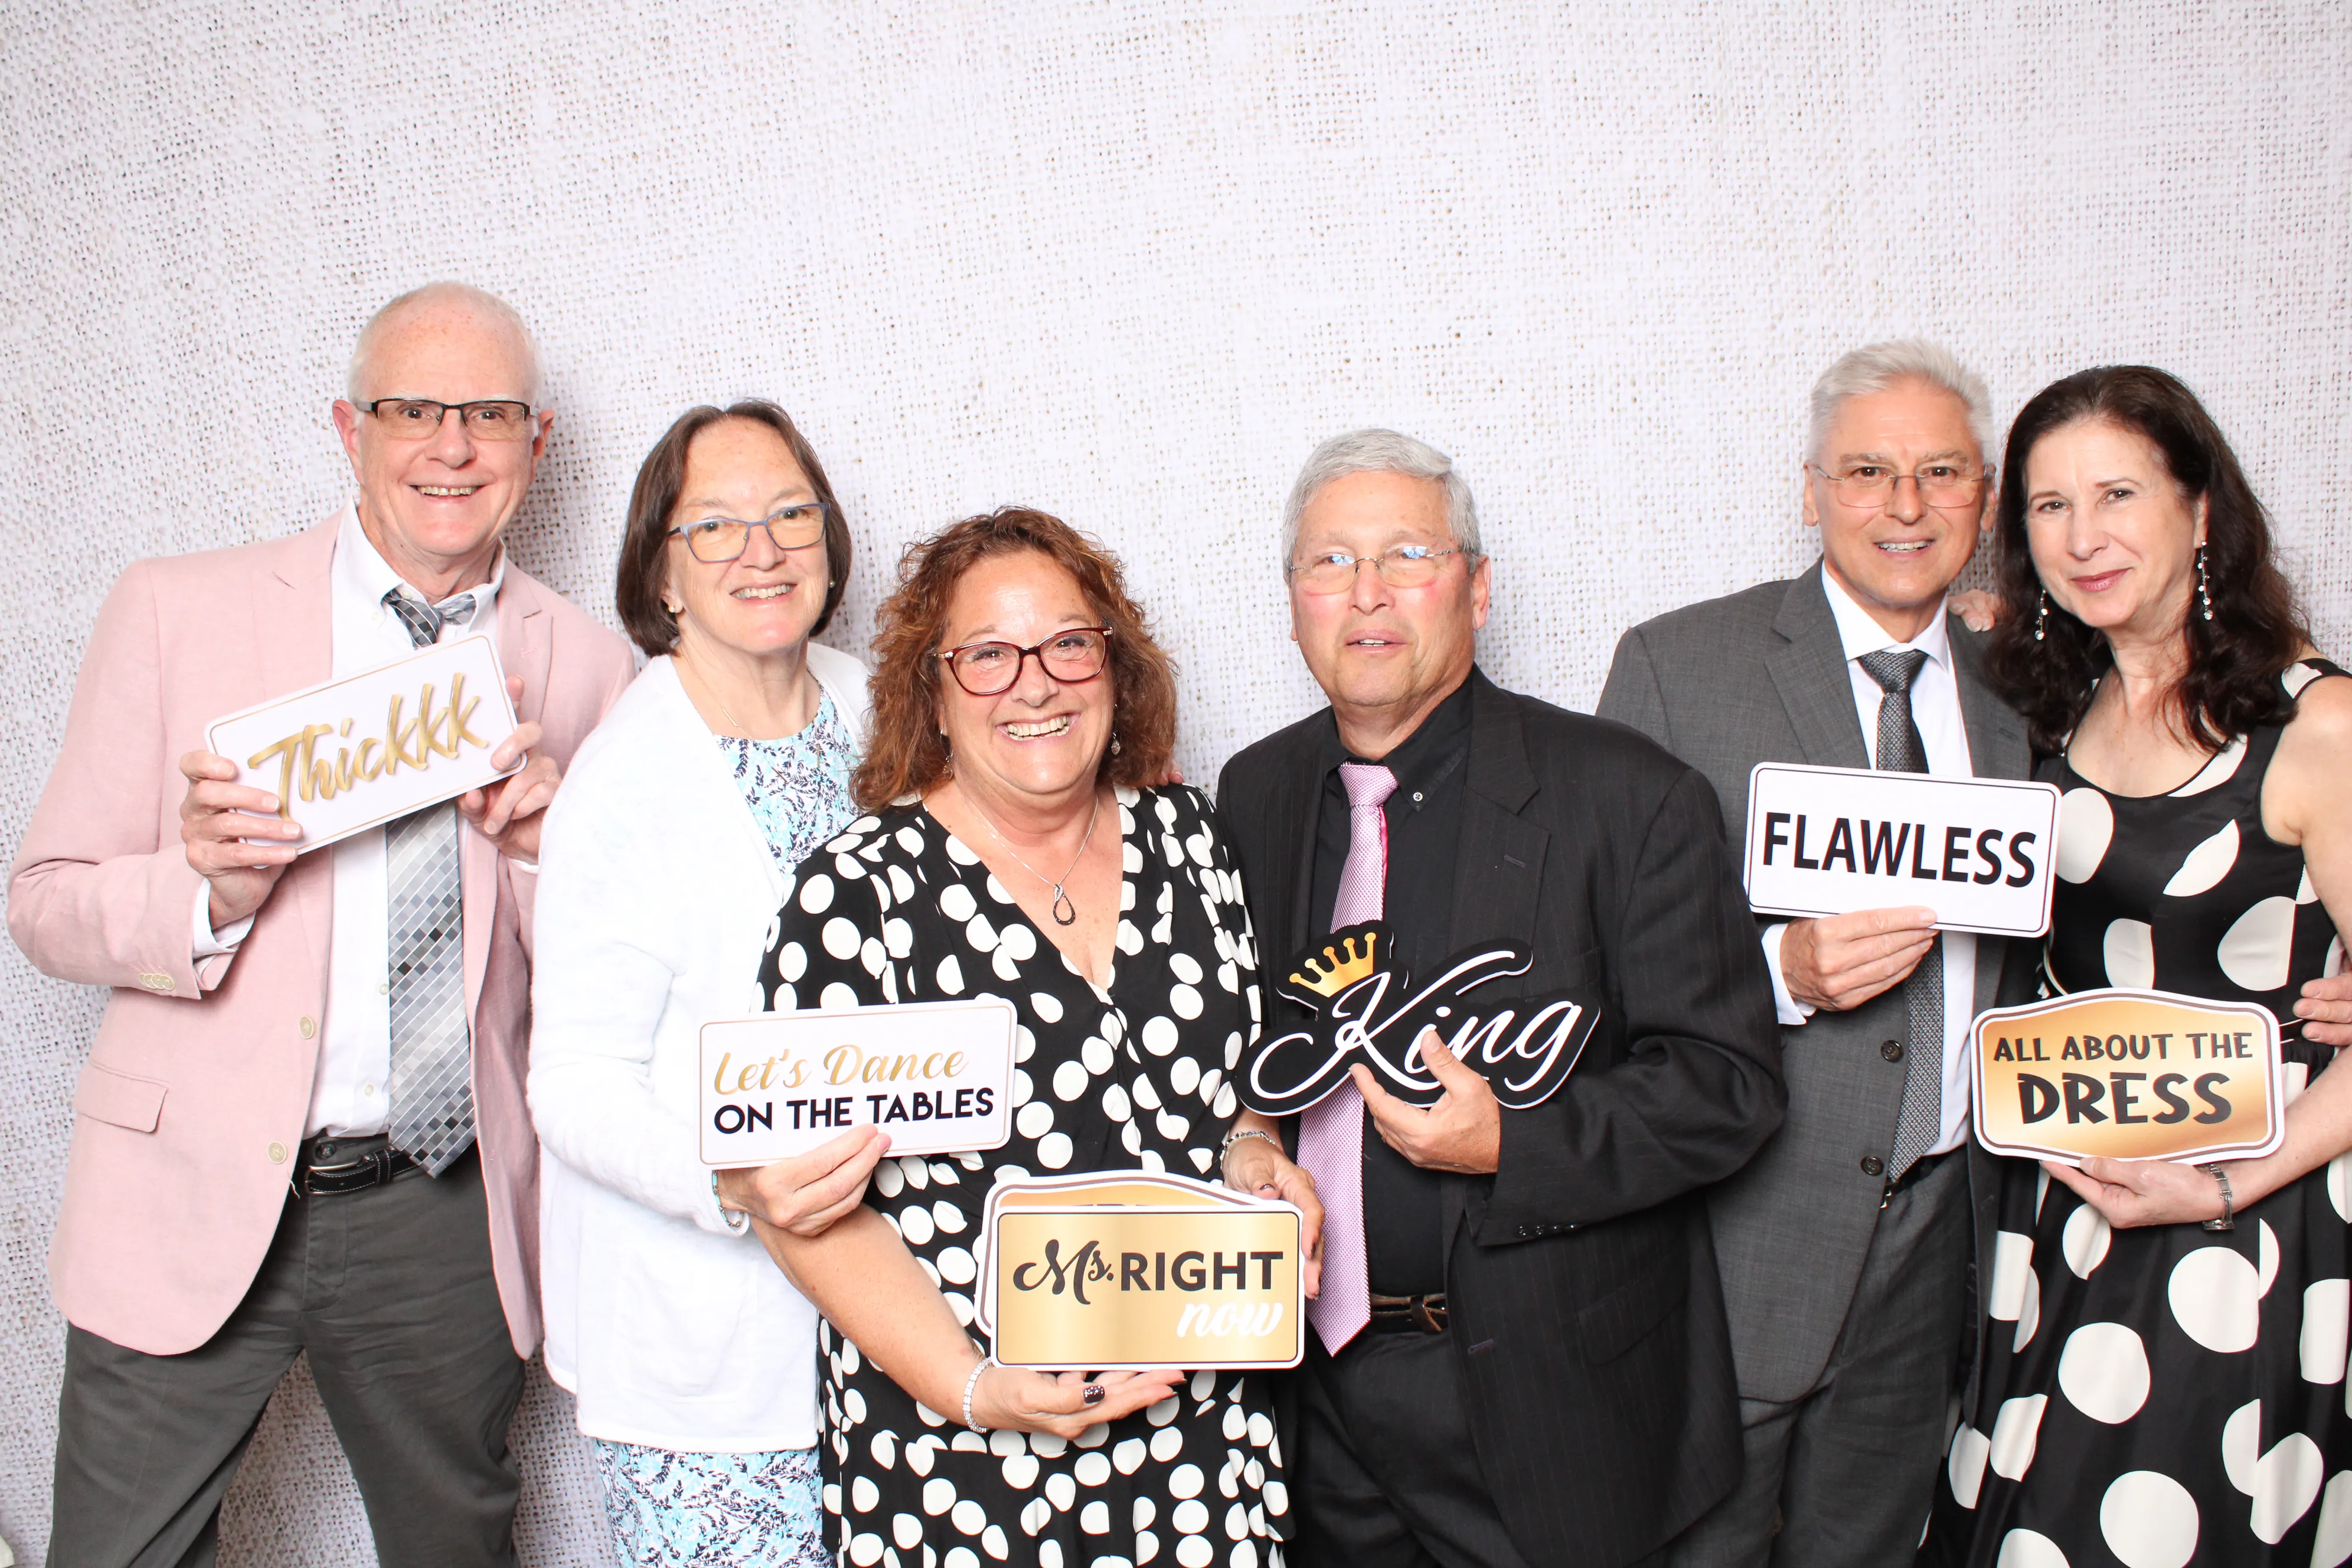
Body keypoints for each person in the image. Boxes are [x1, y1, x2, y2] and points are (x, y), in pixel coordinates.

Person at [8, 282, 634, 1566]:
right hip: (183, 1186)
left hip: (441, 1206)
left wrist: (541, 854)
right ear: (349, 429)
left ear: (539, 441)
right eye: (413, 408)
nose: (449, 445)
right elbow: (45, 898)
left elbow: (613, 977)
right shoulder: (179, 610)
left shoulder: (589, 666)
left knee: (454, 1548)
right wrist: (204, 894)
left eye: (488, 413)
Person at [1217, 429, 1785, 1568]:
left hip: (1539, 1403)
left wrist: (1510, 1144)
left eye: (1409, 556)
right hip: (1305, 1399)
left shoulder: (1628, 796)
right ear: (1292, 604)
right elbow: (1249, 1037)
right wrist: (1250, 1134)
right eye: (1330, 564)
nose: (1367, 594)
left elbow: (1728, 1087)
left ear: (1479, 590)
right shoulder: (1253, 792)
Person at [741, 507, 1305, 1566]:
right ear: (935, 696)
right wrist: (973, 1389)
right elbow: (803, 1206)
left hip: (1204, 1443)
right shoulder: (855, 901)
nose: (1035, 683)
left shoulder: (1194, 840)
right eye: (989, 656)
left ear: (1113, 664)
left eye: (1066, 644)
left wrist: (1255, 1149)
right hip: (966, 1459)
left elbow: (1235, 1086)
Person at [1596, 340, 2033, 1566]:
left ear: (1983, 502)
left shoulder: (2033, 683)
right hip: (1744, 1242)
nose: (1906, 505)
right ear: (1810, 489)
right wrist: (1778, 975)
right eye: (1867, 471)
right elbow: (1592, 963)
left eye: (1941, 471)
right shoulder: (1681, 666)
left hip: (1944, 1236)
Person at [1922, 366, 2352, 1566]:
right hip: (2061, 1212)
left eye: (2118, 493)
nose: (2082, 535)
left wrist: (2221, 1188)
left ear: (2201, 508)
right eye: (2049, 507)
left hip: (2241, 1226)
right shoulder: (2044, 713)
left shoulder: (2314, 728)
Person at [528, 401, 890, 1567]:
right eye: (717, 524)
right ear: (662, 573)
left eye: (791, 512)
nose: (763, 547)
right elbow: (574, 1080)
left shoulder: (881, 708)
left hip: (892, 1326)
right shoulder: (623, 782)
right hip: (711, 1362)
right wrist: (725, 1185)